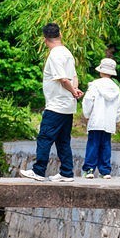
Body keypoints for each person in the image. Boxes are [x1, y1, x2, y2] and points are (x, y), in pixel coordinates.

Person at [20, 23, 83, 182]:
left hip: (56, 105)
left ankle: (39, 171)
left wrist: (73, 91)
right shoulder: (68, 53)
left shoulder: (55, 55)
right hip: (68, 106)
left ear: (45, 39)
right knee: (63, 140)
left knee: (44, 138)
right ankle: (66, 172)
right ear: (60, 34)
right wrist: (75, 90)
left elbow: (63, 79)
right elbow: (74, 77)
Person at [81, 57, 120, 179]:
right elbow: (119, 107)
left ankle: (89, 170)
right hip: (109, 122)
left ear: (100, 71)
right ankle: (105, 171)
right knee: (106, 145)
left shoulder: (95, 85)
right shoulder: (115, 88)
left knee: (93, 144)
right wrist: (115, 119)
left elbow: (88, 101)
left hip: (96, 120)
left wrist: (87, 114)